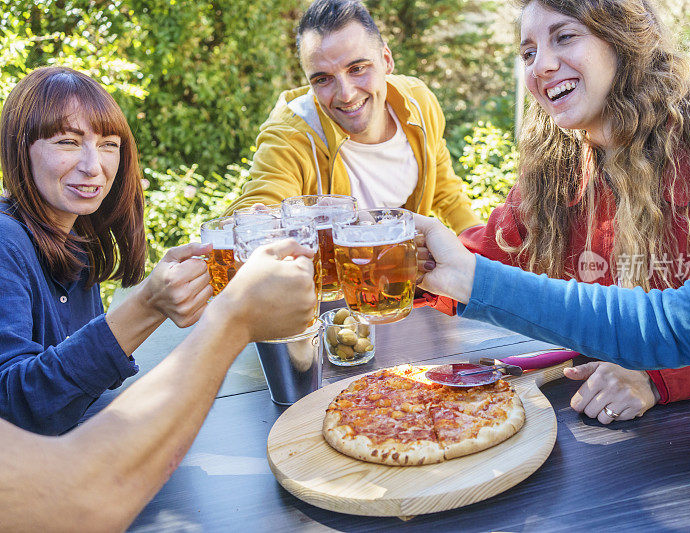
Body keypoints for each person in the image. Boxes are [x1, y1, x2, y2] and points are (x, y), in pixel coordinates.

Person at [416, 0, 690, 431]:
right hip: (616, 439)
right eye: (528, 53)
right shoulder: (555, 172)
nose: (540, 66)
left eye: (564, 37)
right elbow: (486, 258)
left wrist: (661, 377)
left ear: (624, 40)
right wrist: (401, 261)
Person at [0, 239, 317, 530]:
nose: (91, 172)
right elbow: (71, 500)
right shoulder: (7, 240)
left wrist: (151, 302)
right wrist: (233, 320)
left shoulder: (76, 241)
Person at [0, 66, 215, 435]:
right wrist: (148, 305)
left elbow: (82, 386)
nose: (92, 165)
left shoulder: (74, 238)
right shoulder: (5, 240)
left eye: (108, 145)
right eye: (67, 142)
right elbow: (17, 408)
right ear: (21, 150)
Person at [223, 0, 481, 235]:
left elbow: (445, 190)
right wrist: (254, 220)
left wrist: (482, 246)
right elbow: (265, 194)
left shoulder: (418, 102)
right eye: (323, 79)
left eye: (357, 69)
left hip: (404, 278)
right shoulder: (290, 133)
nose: (346, 95)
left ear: (386, 60)